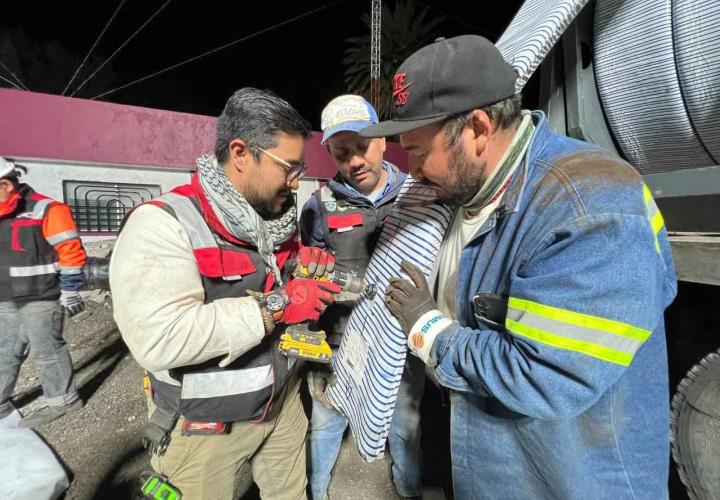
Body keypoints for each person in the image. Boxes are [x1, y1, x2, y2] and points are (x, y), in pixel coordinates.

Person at [364, 35, 677, 499]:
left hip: (563, 481)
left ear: (477, 128)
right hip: (488, 465)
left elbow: (539, 373)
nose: (410, 170)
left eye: (417, 150)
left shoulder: (589, 206)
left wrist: (427, 327)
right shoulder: (468, 187)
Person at [110, 87, 342, 500]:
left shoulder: (273, 218)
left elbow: (278, 279)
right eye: (289, 167)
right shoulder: (164, 224)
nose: (297, 180)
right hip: (203, 431)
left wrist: (301, 268)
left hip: (281, 405)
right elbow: (161, 339)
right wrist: (279, 305)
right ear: (240, 153)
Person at [300, 95, 423, 500]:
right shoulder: (319, 206)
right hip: (338, 343)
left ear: (384, 140)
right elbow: (308, 270)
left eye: (362, 147)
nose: (354, 161)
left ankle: (409, 490)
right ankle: (316, 493)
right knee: (326, 423)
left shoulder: (417, 195)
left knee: (404, 425)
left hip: (399, 343)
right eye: (341, 153)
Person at [0, 158, 86, 428]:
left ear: (5, 184)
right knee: (4, 351)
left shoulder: (47, 209)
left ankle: (64, 401)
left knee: (47, 350)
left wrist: (70, 291)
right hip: (5, 298)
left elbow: (70, 251)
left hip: (42, 297)